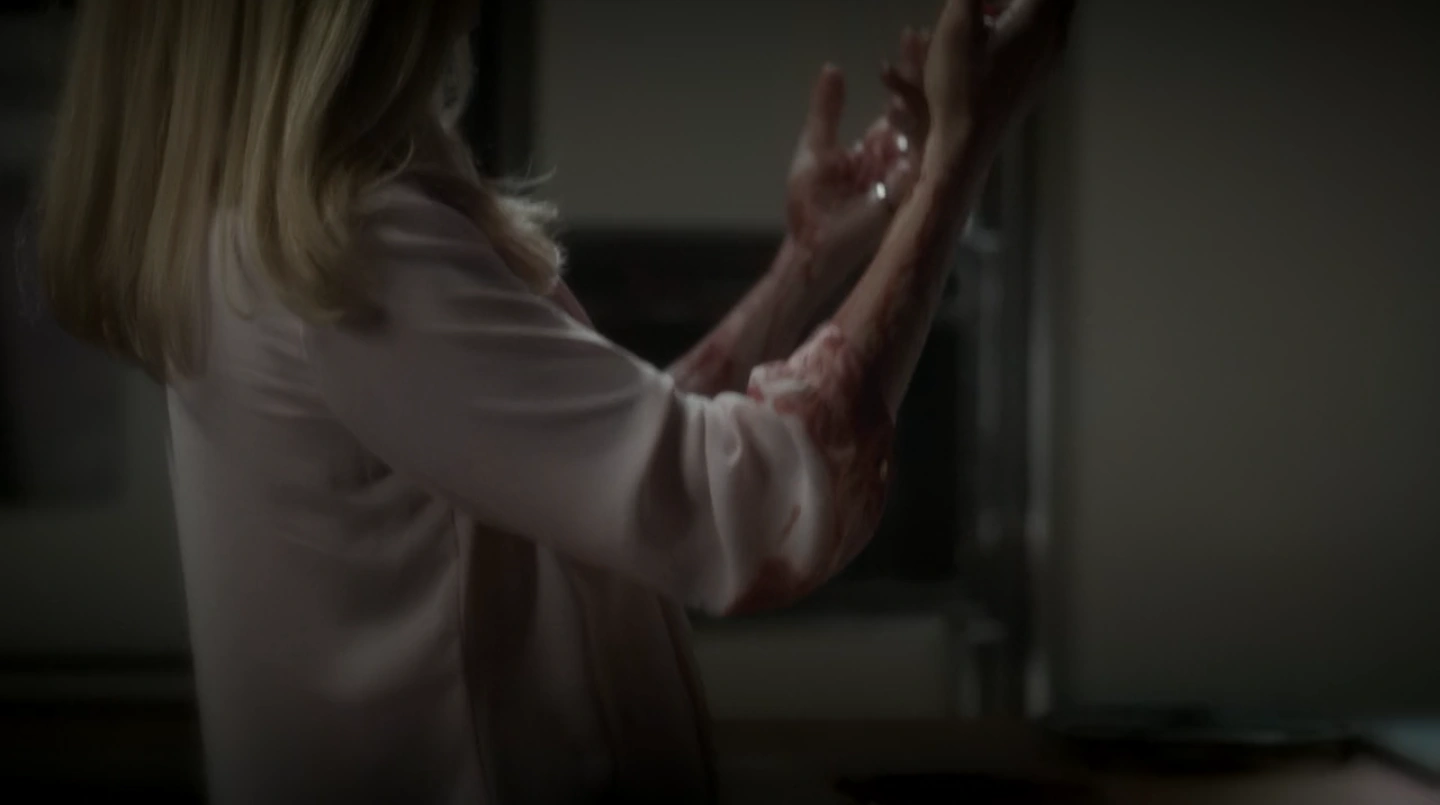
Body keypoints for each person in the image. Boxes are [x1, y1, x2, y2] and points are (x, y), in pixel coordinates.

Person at [36, 0, 1070, 801]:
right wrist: (961, 154)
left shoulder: (254, 242)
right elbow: (748, 509)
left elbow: (593, 471)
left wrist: (809, 262)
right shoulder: (349, 258)